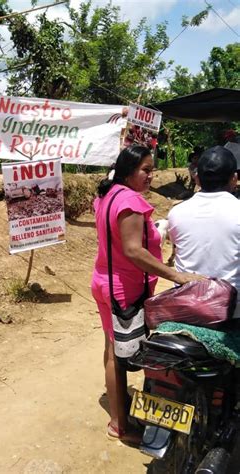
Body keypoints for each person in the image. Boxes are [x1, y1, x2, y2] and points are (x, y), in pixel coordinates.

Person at [91, 145, 204, 443]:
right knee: (123, 354)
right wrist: (176, 276)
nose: (151, 176)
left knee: (112, 349)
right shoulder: (128, 200)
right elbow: (132, 250)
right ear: (128, 170)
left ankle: (118, 417)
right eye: (146, 170)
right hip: (124, 288)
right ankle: (121, 424)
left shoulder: (106, 195)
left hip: (104, 279)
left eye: (152, 170)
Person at [168, 146, 240, 318]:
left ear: (197, 178)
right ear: (234, 179)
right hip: (232, 311)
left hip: (186, 305)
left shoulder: (176, 213)